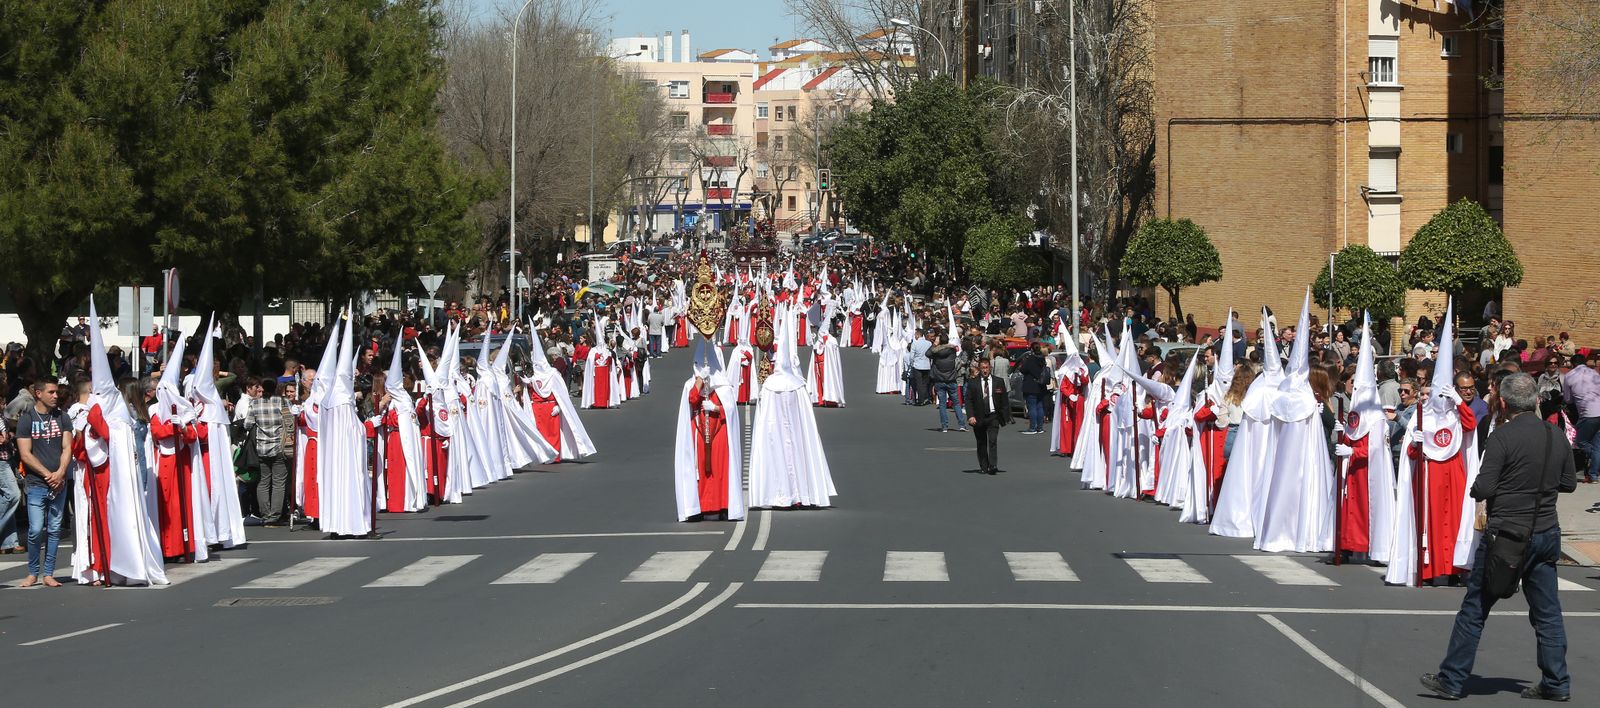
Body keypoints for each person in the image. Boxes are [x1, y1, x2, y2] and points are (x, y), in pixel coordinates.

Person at [1419, 373, 1575, 702]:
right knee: (1547, 612)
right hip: (1545, 531)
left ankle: (1452, 678)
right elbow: (1569, 483)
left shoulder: (1502, 437)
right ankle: (1556, 681)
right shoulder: (1555, 435)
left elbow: (1483, 487)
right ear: (1536, 401)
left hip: (1506, 535)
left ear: (1502, 403)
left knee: (1475, 608)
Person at [674, 336, 745, 521]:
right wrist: (700, 380)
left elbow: (730, 410)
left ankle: (723, 505)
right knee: (702, 471)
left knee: (720, 469)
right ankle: (703, 506)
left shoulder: (723, 385)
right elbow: (692, 399)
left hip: (719, 431)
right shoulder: (691, 384)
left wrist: (715, 408)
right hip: (699, 431)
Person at [16, 380, 72, 587]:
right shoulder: (27, 419)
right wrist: (49, 474)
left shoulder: (63, 417)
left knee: (54, 529)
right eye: (51, 392)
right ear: (38, 394)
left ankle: (48, 573)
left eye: (56, 392)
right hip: (37, 483)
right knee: (36, 529)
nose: (56, 396)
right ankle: (33, 572)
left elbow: (67, 447)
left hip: (59, 482)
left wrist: (60, 473)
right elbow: (25, 454)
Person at [965, 357, 1013, 475]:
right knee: (981, 442)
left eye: (986, 368)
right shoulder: (973, 382)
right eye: (982, 368)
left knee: (992, 440)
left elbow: (1004, 400)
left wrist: (1006, 416)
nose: (985, 370)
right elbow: (968, 401)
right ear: (979, 369)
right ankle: (984, 466)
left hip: (993, 416)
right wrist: (970, 416)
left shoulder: (998, 381)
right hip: (979, 416)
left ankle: (993, 465)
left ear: (990, 368)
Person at [1561, 351, 1600, 483]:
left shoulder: (1569, 376)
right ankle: (1593, 476)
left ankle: (1595, 460)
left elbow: (1568, 399)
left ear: (1572, 364)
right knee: (1597, 445)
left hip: (1587, 413)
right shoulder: (1594, 374)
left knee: (1580, 441)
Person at [928, 332, 966, 433]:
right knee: (956, 403)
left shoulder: (936, 352)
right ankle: (962, 425)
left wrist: (934, 344)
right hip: (951, 379)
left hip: (939, 379)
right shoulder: (952, 350)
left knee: (942, 404)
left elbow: (927, 354)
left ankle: (944, 426)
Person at [1017, 342, 1050, 434]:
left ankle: (1032, 428)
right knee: (1039, 406)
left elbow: (1023, 369)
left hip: (1031, 385)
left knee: (1032, 407)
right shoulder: (1042, 359)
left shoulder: (1030, 359)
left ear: (1031, 349)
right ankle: (1040, 427)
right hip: (1041, 385)